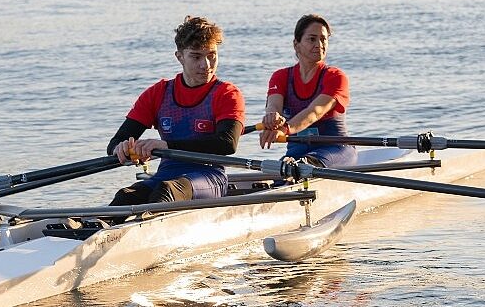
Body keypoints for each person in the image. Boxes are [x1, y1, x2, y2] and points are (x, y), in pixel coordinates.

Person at [106, 16, 245, 223]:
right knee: (125, 196)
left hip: (208, 177)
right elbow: (114, 143)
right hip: (166, 176)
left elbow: (226, 144)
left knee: (165, 191)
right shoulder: (158, 93)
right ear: (179, 56)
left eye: (212, 56)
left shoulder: (226, 94)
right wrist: (125, 149)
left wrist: (166, 144)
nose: (206, 65)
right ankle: (87, 236)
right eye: (196, 57)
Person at [259, 14, 357, 168]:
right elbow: (273, 106)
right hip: (296, 153)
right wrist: (272, 119)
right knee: (281, 170)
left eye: (323, 39)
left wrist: (285, 129)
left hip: (335, 150)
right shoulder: (281, 77)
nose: (319, 44)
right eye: (312, 39)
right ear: (296, 45)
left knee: (303, 166)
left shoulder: (335, 77)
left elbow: (315, 112)